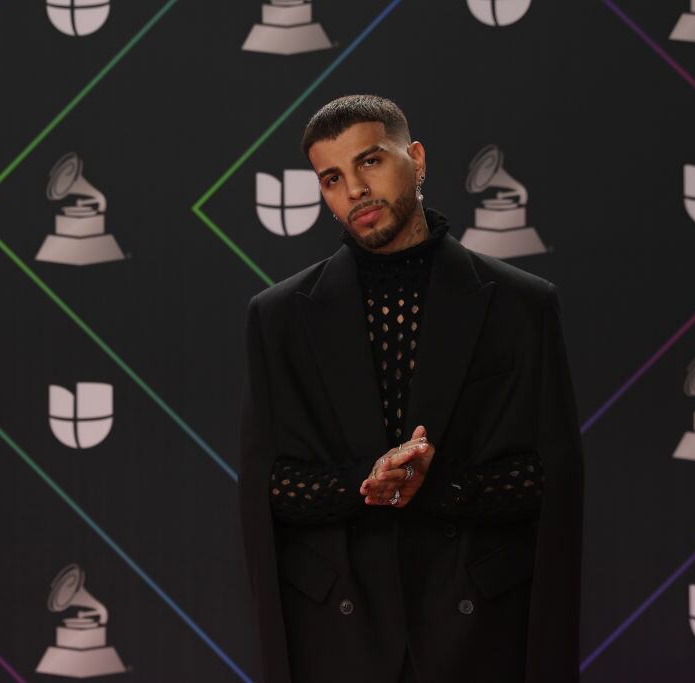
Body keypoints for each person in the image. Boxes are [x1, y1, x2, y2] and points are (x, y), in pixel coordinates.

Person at [238, 94, 584, 683]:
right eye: (332, 177)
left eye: (370, 161)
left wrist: (442, 484)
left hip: (481, 632)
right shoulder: (279, 317)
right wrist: (365, 483)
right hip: (337, 636)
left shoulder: (522, 305)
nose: (354, 190)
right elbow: (268, 487)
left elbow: (553, 479)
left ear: (416, 159)